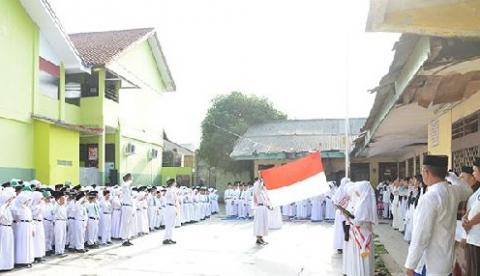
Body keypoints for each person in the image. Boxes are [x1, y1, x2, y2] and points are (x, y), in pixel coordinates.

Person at [405, 155, 473, 276]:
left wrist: (411, 264)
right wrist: (452, 177)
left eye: (422, 170)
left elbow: (421, 235)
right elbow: (468, 190)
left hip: (430, 264)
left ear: (427, 172)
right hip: (445, 261)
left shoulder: (430, 198)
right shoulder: (453, 191)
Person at [350, 181, 378, 276]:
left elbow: (358, 221)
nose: (357, 192)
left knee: (363, 257)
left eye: (358, 190)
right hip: (365, 234)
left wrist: (349, 218)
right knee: (366, 256)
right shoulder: (365, 201)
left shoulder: (363, 204)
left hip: (362, 234)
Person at [463, 158, 480, 276]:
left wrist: (470, 223)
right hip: (473, 237)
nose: (473, 173)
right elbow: (474, 207)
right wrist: (466, 217)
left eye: (475, 170)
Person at [12, 191, 35, 267]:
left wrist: (32, 228)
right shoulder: (17, 208)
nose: (28, 202)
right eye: (26, 200)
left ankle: (27, 259)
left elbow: (31, 219)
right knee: (21, 243)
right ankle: (20, 261)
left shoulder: (27, 208)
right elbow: (16, 217)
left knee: (28, 243)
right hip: (22, 227)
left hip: (28, 226)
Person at [0, 188, 16, 271]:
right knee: (3, 247)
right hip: (3, 229)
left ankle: (8, 264)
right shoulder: (2, 207)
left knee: (8, 247)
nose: (11, 201)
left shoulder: (8, 208)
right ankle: (2, 265)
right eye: (10, 199)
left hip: (8, 229)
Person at [253, 179, 272, 245]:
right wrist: (259, 181)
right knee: (259, 224)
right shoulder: (258, 192)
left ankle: (261, 238)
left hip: (264, 208)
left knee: (263, 224)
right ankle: (258, 238)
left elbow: (266, 200)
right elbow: (257, 188)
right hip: (260, 209)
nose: (262, 184)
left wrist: (268, 206)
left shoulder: (263, 192)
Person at [119, 174, 135, 247]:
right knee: (125, 224)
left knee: (129, 224)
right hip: (126, 206)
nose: (132, 180)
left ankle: (128, 238)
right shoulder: (124, 185)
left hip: (130, 207)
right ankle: (124, 239)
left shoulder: (129, 187)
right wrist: (129, 181)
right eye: (131, 178)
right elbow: (124, 185)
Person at [52, 191, 68, 256]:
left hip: (64, 222)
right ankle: (58, 251)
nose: (64, 200)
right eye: (62, 199)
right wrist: (59, 204)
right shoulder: (56, 205)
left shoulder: (64, 206)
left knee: (63, 237)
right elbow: (53, 212)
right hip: (58, 222)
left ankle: (62, 250)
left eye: (64, 199)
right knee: (59, 237)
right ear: (59, 199)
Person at [163, 178, 178, 245]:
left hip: (173, 207)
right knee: (169, 224)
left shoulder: (172, 190)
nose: (176, 184)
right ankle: (166, 239)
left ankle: (169, 238)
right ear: (173, 183)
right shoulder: (169, 190)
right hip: (169, 207)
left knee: (172, 224)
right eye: (175, 182)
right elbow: (169, 197)